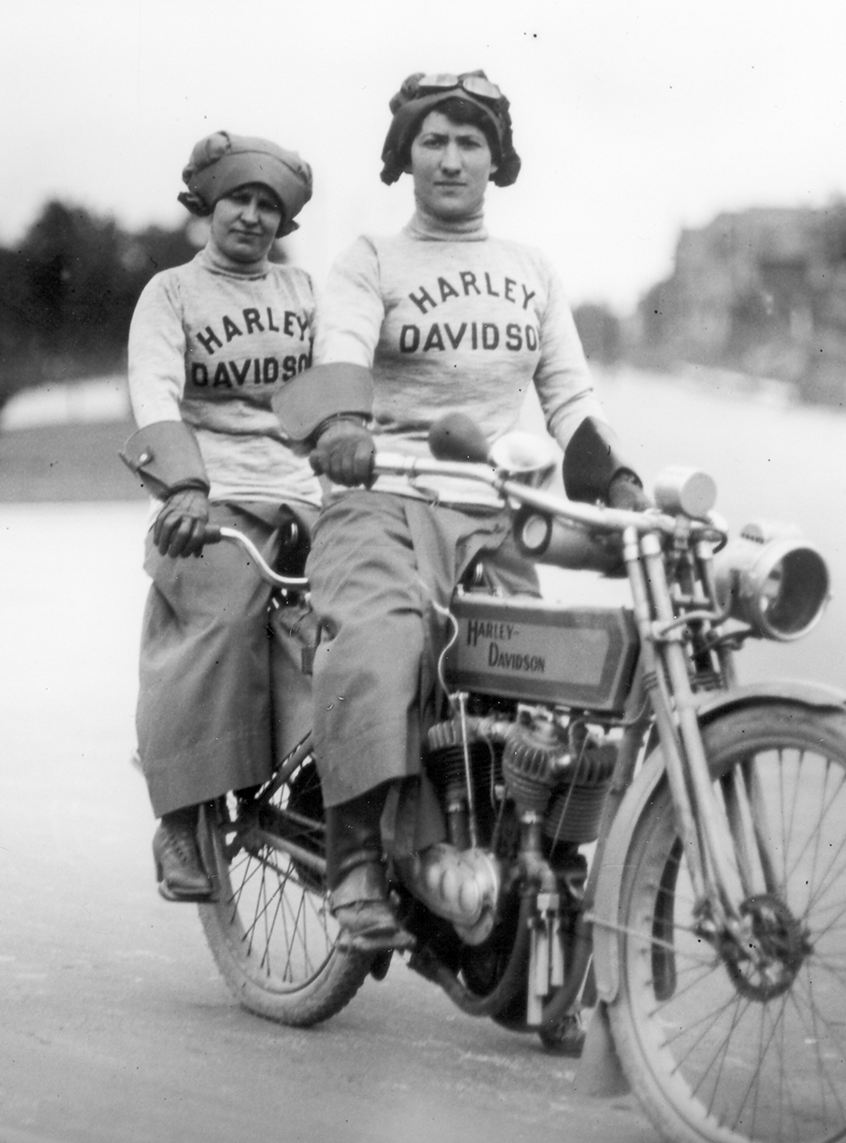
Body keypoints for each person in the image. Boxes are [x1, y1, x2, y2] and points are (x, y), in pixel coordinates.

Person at [272, 71, 648, 952]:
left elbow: (571, 401)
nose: (450, 158)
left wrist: (619, 480)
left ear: (496, 159)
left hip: (490, 513)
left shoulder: (531, 272)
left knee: (546, 682)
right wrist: (340, 425)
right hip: (380, 503)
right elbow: (340, 351)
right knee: (384, 641)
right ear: (405, 155)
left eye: (469, 141)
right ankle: (356, 855)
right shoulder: (371, 257)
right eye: (432, 140)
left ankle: (533, 870)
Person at [120, 132, 318, 902]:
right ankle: (181, 812)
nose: (253, 216)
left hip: (302, 489)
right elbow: (155, 389)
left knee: (361, 613)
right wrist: (182, 487)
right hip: (210, 494)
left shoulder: (304, 294)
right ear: (208, 205)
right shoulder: (172, 293)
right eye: (240, 198)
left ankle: (322, 792)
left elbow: (334, 390)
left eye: (269, 205)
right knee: (223, 614)